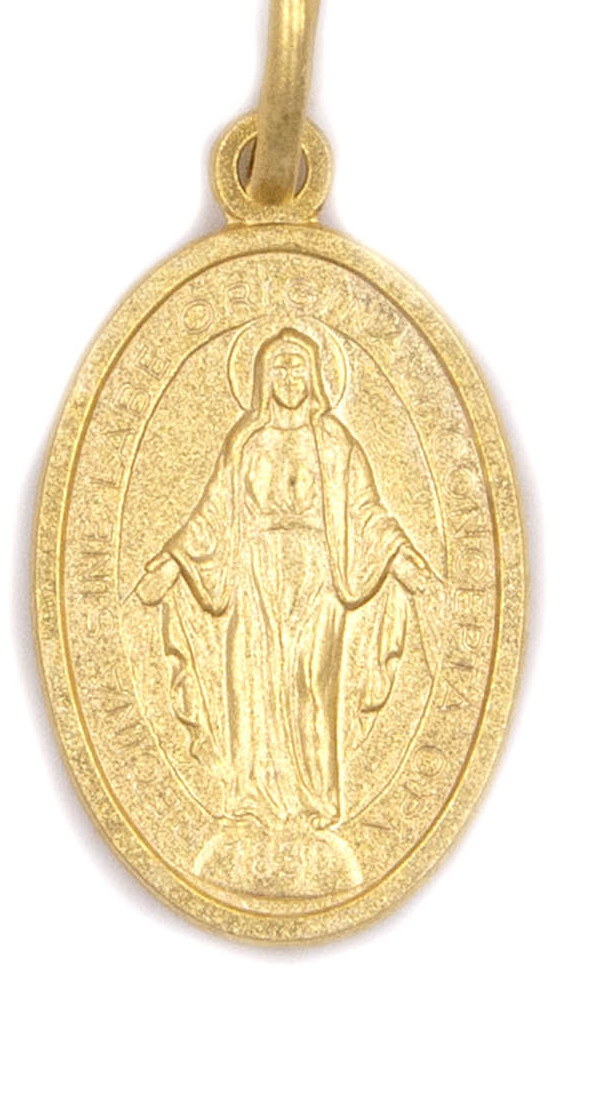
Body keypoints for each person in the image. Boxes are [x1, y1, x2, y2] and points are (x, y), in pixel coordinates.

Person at [137, 326, 430, 828]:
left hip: (318, 574)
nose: (289, 379)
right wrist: (172, 562)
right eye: (279, 368)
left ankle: (315, 799)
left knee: (310, 681)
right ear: (262, 378)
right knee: (252, 681)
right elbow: (214, 510)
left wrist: (397, 555)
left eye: (298, 368)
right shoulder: (246, 441)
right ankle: (252, 795)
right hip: (254, 574)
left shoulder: (335, 442)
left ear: (315, 376)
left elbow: (365, 510)